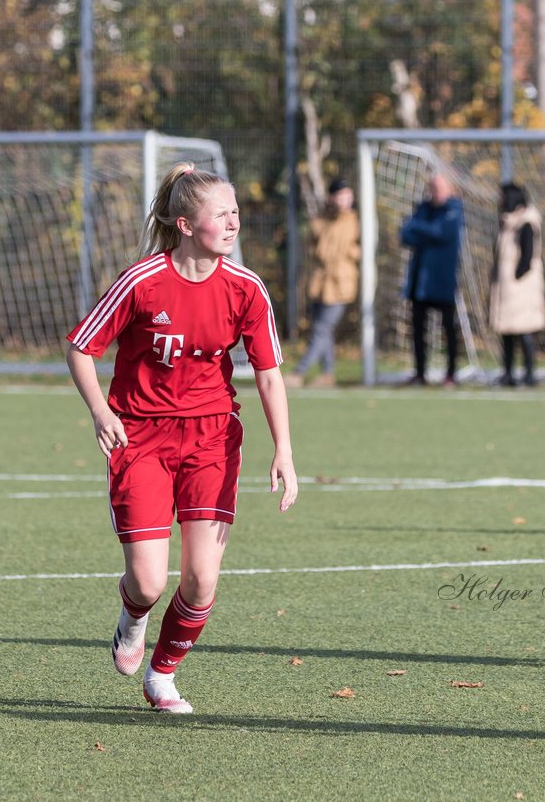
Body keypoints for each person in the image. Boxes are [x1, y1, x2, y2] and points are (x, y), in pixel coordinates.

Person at [66, 162, 298, 714]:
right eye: (222, 213)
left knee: (199, 581)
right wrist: (101, 412)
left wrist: (283, 450)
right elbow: (81, 348)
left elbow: (268, 374)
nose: (234, 221)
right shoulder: (142, 281)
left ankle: (163, 674)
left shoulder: (246, 288)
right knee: (147, 583)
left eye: (236, 211)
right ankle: (132, 619)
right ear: (186, 224)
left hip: (212, 440)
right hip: (140, 439)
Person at [285, 177, 360, 388]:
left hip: (340, 285)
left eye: (348, 196)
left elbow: (329, 251)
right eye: (341, 195)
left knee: (321, 328)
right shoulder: (320, 219)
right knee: (323, 330)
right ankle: (328, 374)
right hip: (320, 284)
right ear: (332, 197)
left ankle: (299, 372)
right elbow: (314, 248)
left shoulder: (351, 220)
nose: (345, 200)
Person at [400, 174, 464, 386]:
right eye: (433, 188)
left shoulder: (454, 209)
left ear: (449, 188)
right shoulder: (423, 208)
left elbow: (441, 233)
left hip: (443, 281)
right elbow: (405, 234)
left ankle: (451, 374)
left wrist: (419, 229)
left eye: (440, 188)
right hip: (421, 282)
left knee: (449, 329)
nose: (435, 192)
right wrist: (422, 230)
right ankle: (420, 374)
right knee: (418, 329)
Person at [489, 182, 545, 387]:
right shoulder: (506, 222)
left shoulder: (527, 222)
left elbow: (527, 255)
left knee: (524, 332)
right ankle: (508, 373)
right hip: (507, 287)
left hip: (521, 287)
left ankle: (529, 374)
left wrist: (516, 277)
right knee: (507, 333)